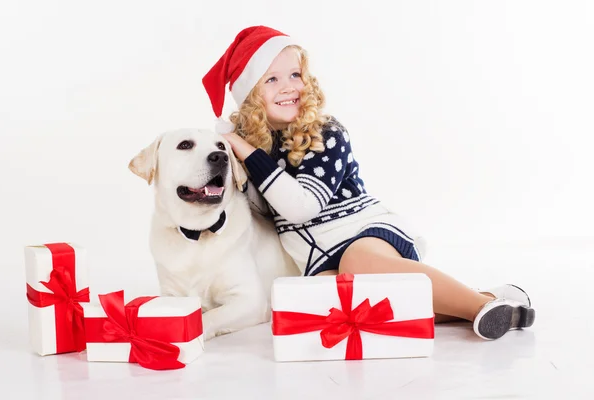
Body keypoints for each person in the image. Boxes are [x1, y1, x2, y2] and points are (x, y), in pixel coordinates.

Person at [201, 25, 535, 340]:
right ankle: (494, 303)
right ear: (250, 94)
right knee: (339, 306)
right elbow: (258, 213)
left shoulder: (325, 133)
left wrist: (245, 150)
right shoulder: (255, 149)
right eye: (271, 79)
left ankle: (480, 307)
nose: (288, 86)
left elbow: (301, 207)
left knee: (357, 266)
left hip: (362, 233)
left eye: (295, 74)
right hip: (317, 256)